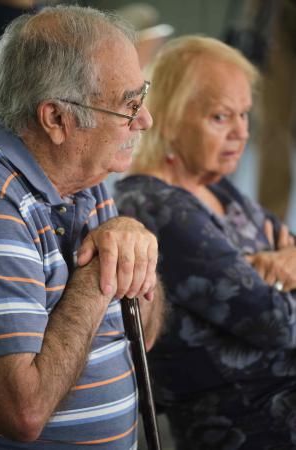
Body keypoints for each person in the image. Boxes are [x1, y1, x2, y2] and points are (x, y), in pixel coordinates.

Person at [0, 5, 165, 449]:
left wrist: (132, 243)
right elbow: (22, 413)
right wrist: (97, 277)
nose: (145, 120)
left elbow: (142, 335)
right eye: (129, 104)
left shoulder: (85, 180)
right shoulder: (1, 204)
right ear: (56, 119)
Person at [115, 35, 296, 449]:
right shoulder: (155, 205)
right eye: (220, 117)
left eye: (245, 116)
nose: (241, 133)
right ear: (173, 119)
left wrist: (286, 264)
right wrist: (282, 265)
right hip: (250, 422)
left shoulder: (217, 186)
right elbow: (274, 322)